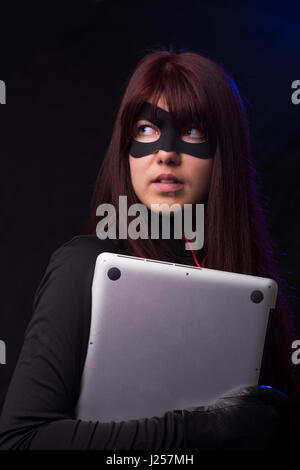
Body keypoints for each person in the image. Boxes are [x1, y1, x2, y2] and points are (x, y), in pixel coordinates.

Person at [0, 48, 298, 450]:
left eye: (193, 131)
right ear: (124, 149)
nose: (166, 153)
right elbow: (21, 440)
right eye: (145, 129)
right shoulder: (83, 268)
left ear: (223, 153)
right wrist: (205, 429)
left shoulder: (251, 289)